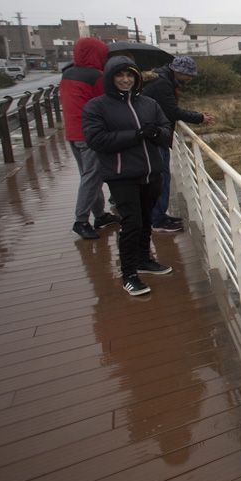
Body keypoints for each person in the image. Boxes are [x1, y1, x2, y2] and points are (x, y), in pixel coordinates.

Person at [83, 56, 174, 296]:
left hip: (151, 172)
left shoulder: (149, 103)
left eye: (130, 75)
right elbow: (96, 140)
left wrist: (155, 133)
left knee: (145, 220)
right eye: (120, 75)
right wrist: (136, 134)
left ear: (137, 78)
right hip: (122, 175)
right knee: (131, 223)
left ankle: (144, 259)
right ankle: (129, 273)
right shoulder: (97, 106)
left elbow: (166, 131)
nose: (126, 80)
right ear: (110, 79)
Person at [141, 55, 214, 232]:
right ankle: (158, 219)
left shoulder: (163, 79)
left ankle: (158, 216)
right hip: (156, 135)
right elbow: (171, 111)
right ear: (179, 72)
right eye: (188, 75)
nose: (190, 79)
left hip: (155, 134)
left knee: (160, 176)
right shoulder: (162, 84)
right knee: (161, 176)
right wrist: (199, 117)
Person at [60, 37, 120, 239]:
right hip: (90, 135)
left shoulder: (67, 74)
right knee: (92, 177)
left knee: (89, 176)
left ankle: (100, 215)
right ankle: (81, 220)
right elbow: (108, 102)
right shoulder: (96, 76)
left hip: (72, 133)